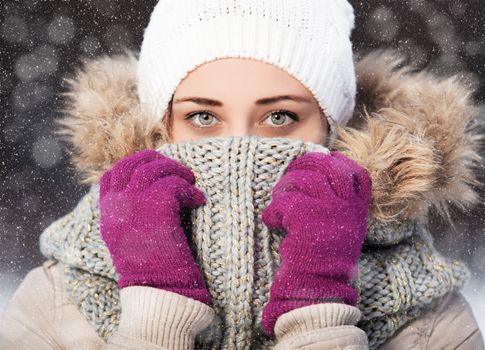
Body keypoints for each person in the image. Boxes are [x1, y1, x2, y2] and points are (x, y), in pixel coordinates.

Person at [0, 0, 484, 349]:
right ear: (161, 125)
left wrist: (318, 312)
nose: (238, 146)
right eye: (204, 117)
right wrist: (152, 314)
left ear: (332, 130)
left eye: (279, 117)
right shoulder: (60, 297)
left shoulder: (424, 311)